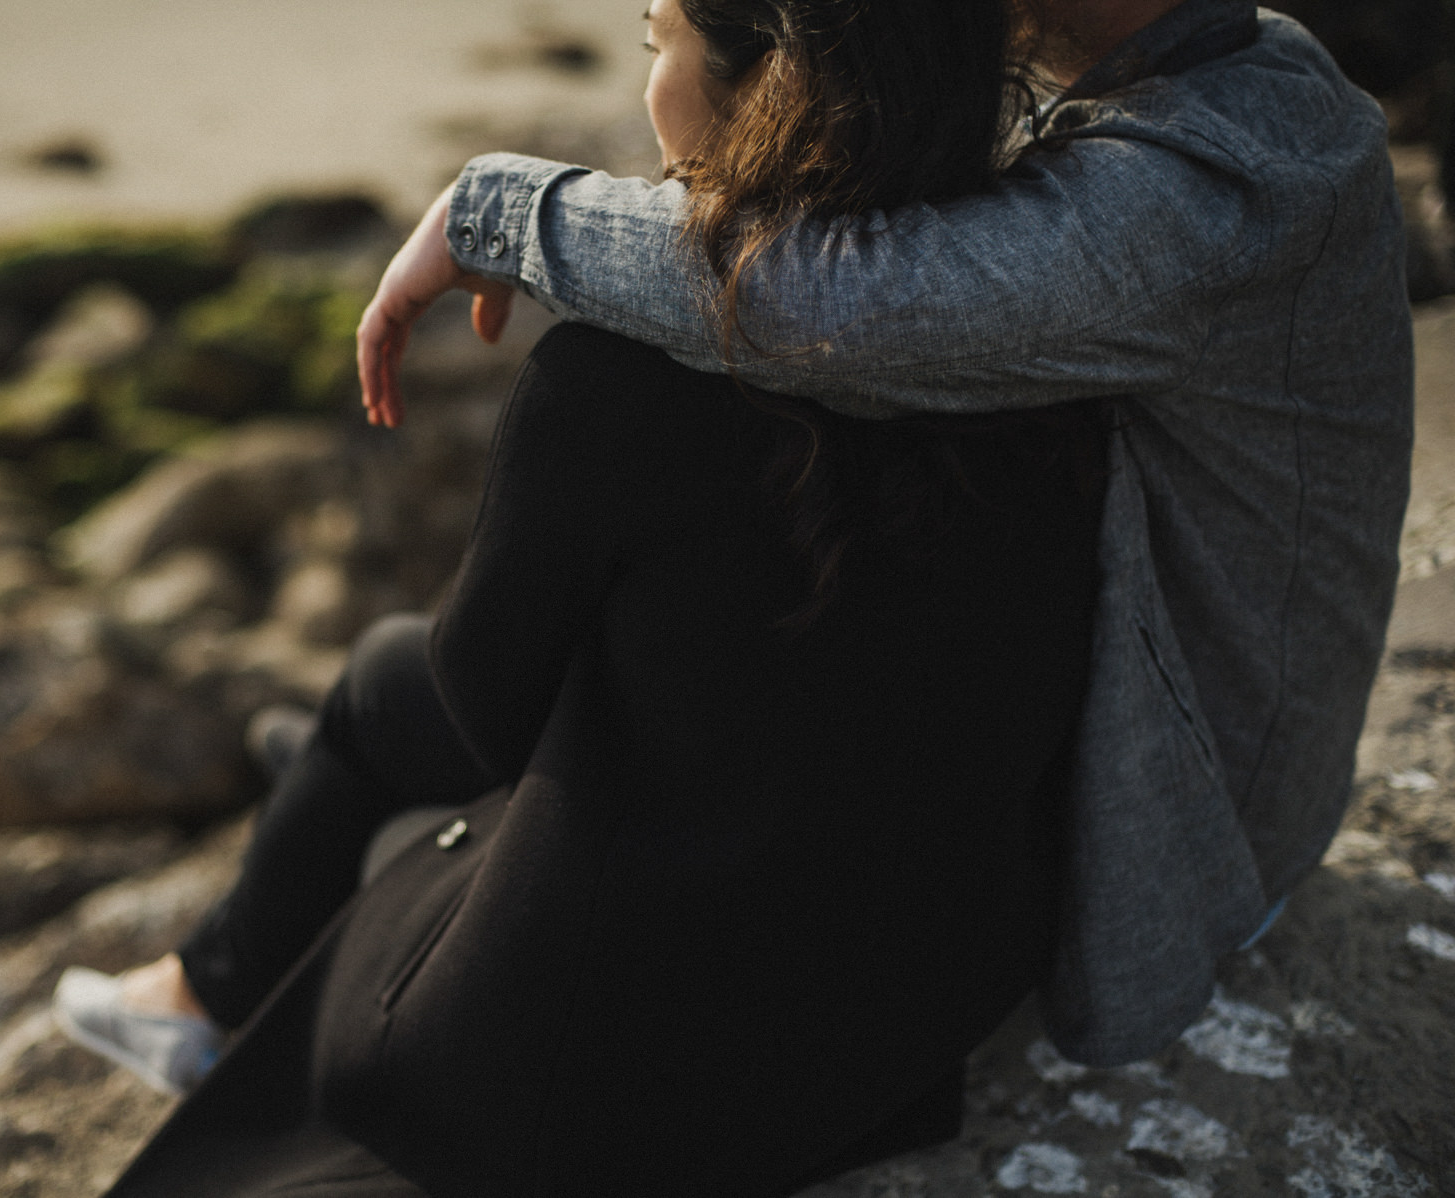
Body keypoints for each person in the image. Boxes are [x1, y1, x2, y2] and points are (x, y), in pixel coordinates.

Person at [56, 2, 1128, 1195]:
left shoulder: (611, 388)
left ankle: (203, 989)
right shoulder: (1075, 362)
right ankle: (260, 874)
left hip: (589, 1083)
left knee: (388, 714)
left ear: (768, 85)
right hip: (879, 1048)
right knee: (420, 729)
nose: (647, 84)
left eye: (654, 41)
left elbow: (487, 720)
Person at [359, 0, 1416, 1066]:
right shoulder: (1220, 86)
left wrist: (491, 210)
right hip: (1087, 759)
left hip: (1188, 838)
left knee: (399, 725)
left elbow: (842, 300)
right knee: (408, 720)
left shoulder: (1224, 173)